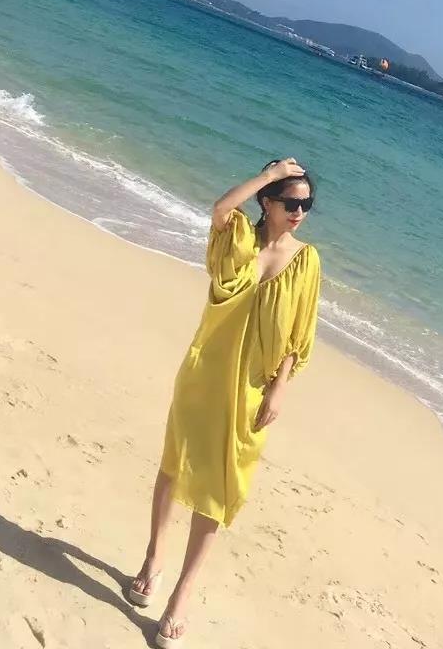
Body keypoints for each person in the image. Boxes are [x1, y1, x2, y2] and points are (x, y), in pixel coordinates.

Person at [126, 157, 322, 646]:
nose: (299, 212)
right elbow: (220, 208)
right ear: (267, 202)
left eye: (307, 204)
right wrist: (269, 174)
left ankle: (181, 597)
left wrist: (280, 386)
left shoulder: (307, 261)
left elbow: (299, 333)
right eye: (290, 202)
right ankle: (153, 559)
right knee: (175, 464)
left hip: (252, 388)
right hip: (205, 372)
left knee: (224, 485)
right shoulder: (237, 238)